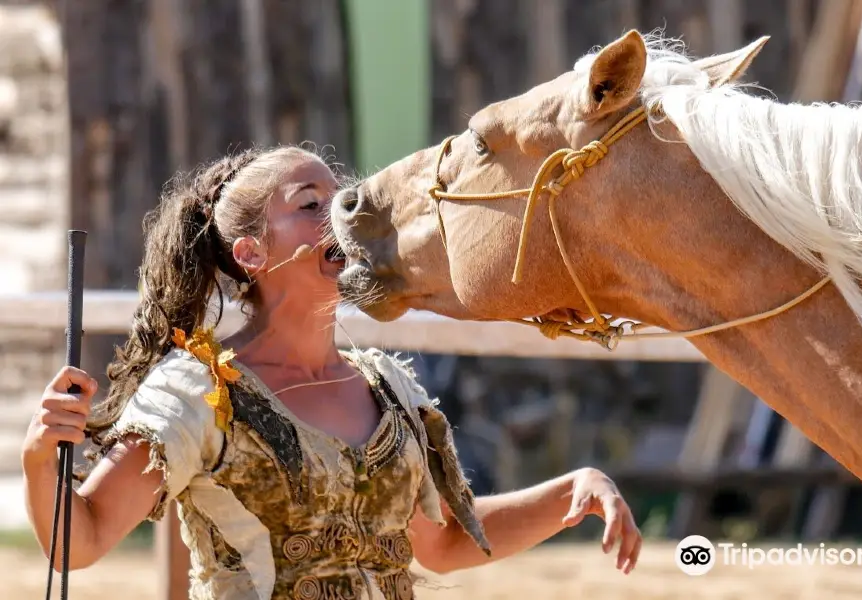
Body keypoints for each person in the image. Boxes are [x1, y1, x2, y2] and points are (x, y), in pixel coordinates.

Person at [21, 145, 642, 600]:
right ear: (251, 253)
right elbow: (85, 537)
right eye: (311, 204)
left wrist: (570, 492)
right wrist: (39, 459)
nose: (339, 215)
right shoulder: (198, 393)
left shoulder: (390, 389)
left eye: (341, 198)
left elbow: (445, 543)